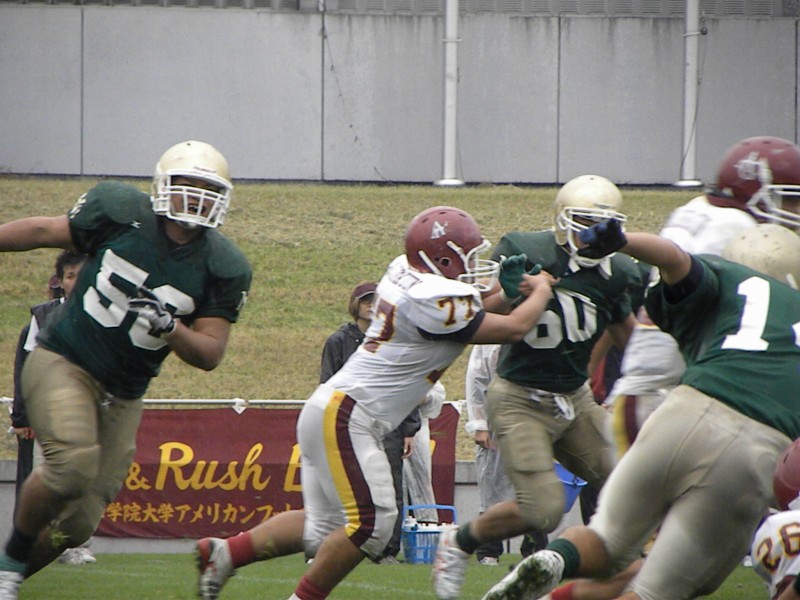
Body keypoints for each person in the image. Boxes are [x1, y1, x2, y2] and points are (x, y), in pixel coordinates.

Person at [193, 204, 558, 600]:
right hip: (351, 415)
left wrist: (505, 293)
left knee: (322, 528)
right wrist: (540, 290)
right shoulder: (434, 298)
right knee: (372, 525)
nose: (473, 267)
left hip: (331, 407)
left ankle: (227, 553)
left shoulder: (409, 275)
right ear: (442, 261)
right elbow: (513, 328)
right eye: (467, 257)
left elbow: (468, 315)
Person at [480, 217, 800, 600]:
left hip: (682, 411)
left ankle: (556, 560)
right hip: (760, 443)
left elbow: (673, 258)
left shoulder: (730, 277)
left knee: (607, 539)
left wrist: (622, 240)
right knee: (656, 590)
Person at [0, 140, 252, 599]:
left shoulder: (224, 264)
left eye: (208, 190)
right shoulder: (121, 212)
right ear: (163, 186)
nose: (196, 198)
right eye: (187, 185)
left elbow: (210, 352)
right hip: (65, 359)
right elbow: (40, 230)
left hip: (123, 392)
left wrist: (171, 327)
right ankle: (11, 560)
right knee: (71, 466)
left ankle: (6, 577)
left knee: (78, 525)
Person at [432, 175, 647, 600]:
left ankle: (616, 565)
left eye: (603, 224)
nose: (593, 234)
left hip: (575, 398)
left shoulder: (620, 271)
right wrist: (508, 293)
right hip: (520, 397)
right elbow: (476, 314)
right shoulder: (527, 249)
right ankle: (460, 540)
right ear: (563, 221)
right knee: (543, 510)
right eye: (584, 222)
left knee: (633, 482)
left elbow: (628, 335)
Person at [603, 135, 800, 462]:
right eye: (789, 199)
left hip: (666, 397)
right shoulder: (738, 233)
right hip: (668, 403)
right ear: (756, 193)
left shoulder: (699, 212)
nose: (795, 210)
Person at [318, 280, 424, 565]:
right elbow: (327, 384)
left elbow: (408, 384)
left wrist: (410, 428)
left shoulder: (396, 339)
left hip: (388, 423)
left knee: (390, 488)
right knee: (349, 488)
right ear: (355, 305)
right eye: (365, 300)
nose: (370, 305)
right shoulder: (338, 341)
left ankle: (388, 550)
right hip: (348, 423)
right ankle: (344, 547)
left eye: (375, 300)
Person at [11, 252, 97, 567]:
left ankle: (76, 544)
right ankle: (29, 542)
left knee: (82, 479)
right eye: (70, 276)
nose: (76, 282)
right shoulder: (43, 316)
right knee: (43, 479)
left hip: (86, 410)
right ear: (60, 281)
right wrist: (22, 415)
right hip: (47, 411)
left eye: (82, 275)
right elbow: (26, 367)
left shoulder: (103, 314)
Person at [464, 343, 547, 566]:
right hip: (497, 420)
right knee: (493, 487)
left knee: (535, 486)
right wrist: (479, 424)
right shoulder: (489, 343)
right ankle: (489, 550)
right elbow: (477, 380)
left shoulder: (538, 334)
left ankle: (535, 548)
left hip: (531, 420)